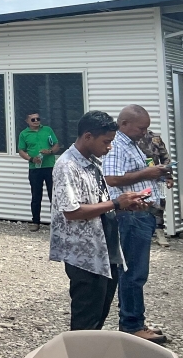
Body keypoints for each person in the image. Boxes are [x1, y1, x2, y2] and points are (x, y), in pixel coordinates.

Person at [50, 110, 150, 330]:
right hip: (85, 257)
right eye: (106, 141)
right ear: (87, 136)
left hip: (105, 253)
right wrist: (116, 203)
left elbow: (98, 205)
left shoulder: (93, 162)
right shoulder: (67, 166)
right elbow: (72, 211)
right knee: (86, 322)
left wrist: (125, 206)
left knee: (98, 319)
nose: (109, 147)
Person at [102, 105, 170, 343]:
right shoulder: (116, 146)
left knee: (135, 271)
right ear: (124, 124)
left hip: (141, 214)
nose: (145, 132)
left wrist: (156, 173)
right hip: (130, 216)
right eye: (141, 128)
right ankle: (132, 326)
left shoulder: (130, 144)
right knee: (133, 272)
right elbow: (110, 178)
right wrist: (147, 174)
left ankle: (134, 321)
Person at [17, 111, 60, 231]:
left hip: (49, 166)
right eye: (33, 120)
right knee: (36, 196)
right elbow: (21, 151)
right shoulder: (24, 134)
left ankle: (56, 222)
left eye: (38, 119)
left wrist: (50, 151)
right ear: (27, 121)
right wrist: (31, 158)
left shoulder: (47, 130)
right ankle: (35, 222)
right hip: (35, 169)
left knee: (54, 195)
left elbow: (56, 145)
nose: (36, 121)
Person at [136, 130, 173, 247]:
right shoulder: (129, 138)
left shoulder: (155, 138)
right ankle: (142, 232)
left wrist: (168, 176)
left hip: (157, 177)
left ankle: (159, 232)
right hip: (138, 177)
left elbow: (165, 158)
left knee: (159, 204)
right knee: (140, 202)